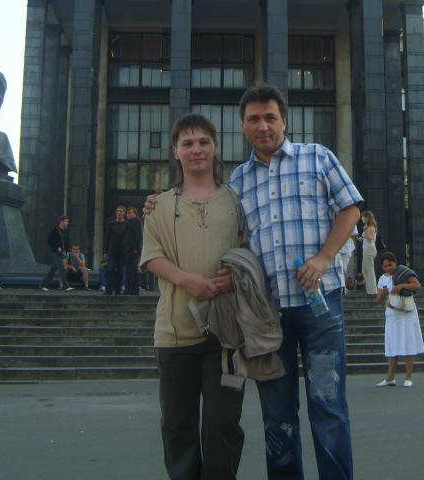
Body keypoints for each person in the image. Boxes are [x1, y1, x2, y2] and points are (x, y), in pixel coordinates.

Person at [145, 83, 361, 479]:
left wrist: (324, 258)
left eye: (270, 117)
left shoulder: (317, 157)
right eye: (254, 119)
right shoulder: (239, 183)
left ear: (284, 121)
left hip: (320, 306)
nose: (263, 126)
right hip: (267, 315)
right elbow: (233, 238)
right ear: (243, 127)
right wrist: (156, 204)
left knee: (328, 407)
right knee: (277, 416)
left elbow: (351, 210)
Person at [143, 113, 245, 479]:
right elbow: (151, 256)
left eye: (203, 142)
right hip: (175, 335)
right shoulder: (159, 206)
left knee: (223, 426)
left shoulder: (236, 201)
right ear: (175, 152)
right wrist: (186, 280)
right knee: (178, 428)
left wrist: (237, 273)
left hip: (227, 336)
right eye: (187, 143)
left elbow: (250, 250)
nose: (196, 149)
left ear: (215, 147)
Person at [375, 251, 424, 387]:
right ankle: (390, 378)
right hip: (392, 315)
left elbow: (417, 286)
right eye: (385, 266)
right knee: (392, 346)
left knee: (408, 344)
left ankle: (408, 377)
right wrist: (383, 294)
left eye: (390, 265)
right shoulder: (382, 279)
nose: (388, 268)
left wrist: (401, 286)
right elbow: (378, 300)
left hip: (406, 313)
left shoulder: (403, 273)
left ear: (395, 263)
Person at [40, 215, 74, 292]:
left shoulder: (66, 231)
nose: (67, 223)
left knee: (53, 270)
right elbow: (49, 240)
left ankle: (42, 285)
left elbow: (67, 241)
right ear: (61, 221)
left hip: (64, 253)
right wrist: (56, 247)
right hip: (57, 253)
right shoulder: (55, 229)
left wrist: (67, 251)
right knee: (62, 269)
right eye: (66, 221)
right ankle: (66, 286)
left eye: (67, 221)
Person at [103, 205, 127, 296]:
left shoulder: (127, 225)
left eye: (120, 211)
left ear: (124, 213)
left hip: (123, 252)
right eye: (117, 211)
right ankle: (108, 290)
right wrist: (105, 251)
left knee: (120, 271)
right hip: (112, 251)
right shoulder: (111, 224)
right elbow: (107, 238)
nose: (118, 213)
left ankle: (118, 290)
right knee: (110, 270)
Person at [123, 206, 143, 295]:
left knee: (132, 271)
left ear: (135, 213)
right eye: (127, 213)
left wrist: (136, 249)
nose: (128, 214)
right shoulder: (129, 223)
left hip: (133, 250)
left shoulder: (137, 222)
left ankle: (131, 290)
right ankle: (132, 290)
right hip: (129, 249)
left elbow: (139, 236)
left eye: (130, 213)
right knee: (131, 271)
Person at [357, 210, 378, 295]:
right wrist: (361, 239)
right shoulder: (368, 227)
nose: (361, 219)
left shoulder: (370, 227)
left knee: (369, 270)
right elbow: (367, 239)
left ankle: (373, 290)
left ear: (367, 217)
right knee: (364, 270)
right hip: (367, 249)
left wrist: (365, 231)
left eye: (363, 217)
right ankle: (369, 289)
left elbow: (370, 238)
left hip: (370, 250)